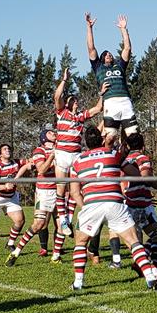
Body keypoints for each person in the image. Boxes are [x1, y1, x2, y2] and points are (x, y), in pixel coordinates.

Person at [68, 125, 157, 292]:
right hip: (115, 203)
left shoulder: (77, 161)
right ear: (101, 139)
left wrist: (85, 207)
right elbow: (134, 174)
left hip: (92, 205)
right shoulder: (114, 154)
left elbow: (74, 192)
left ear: (86, 142)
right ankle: (150, 277)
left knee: (81, 243)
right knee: (133, 242)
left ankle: (78, 283)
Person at [52, 67, 105, 255]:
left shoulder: (81, 116)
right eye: (72, 100)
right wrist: (64, 80)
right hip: (61, 154)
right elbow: (57, 95)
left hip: (75, 155)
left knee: (75, 190)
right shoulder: (61, 113)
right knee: (60, 189)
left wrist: (102, 93)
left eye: (75, 100)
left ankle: (75, 216)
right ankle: (64, 219)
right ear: (67, 103)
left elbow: (98, 108)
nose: (75, 101)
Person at [122, 131, 157, 274]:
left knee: (138, 240)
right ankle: (155, 269)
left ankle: (140, 263)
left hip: (128, 203)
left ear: (128, 146)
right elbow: (146, 178)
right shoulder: (143, 158)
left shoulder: (125, 160)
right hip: (141, 204)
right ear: (143, 146)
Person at [5, 128, 61, 266]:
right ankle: (16, 252)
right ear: (44, 138)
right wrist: (52, 156)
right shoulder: (39, 151)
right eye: (49, 133)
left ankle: (56, 256)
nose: (53, 133)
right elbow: (41, 170)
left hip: (60, 190)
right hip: (45, 192)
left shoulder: (60, 149)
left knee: (61, 225)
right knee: (38, 224)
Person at [85, 13, 139, 138]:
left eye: (110, 54)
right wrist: (89, 28)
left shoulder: (120, 66)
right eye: (106, 54)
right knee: (110, 137)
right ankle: (108, 155)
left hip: (125, 101)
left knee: (133, 135)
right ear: (102, 58)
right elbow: (91, 48)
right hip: (110, 102)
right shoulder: (98, 67)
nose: (109, 55)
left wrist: (123, 29)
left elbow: (127, 49)